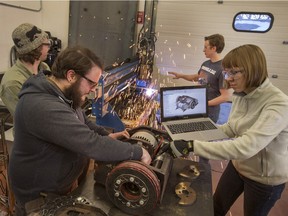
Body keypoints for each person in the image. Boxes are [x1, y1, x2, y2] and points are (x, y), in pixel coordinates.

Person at [8, 46, 152, 215]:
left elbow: (82, 121)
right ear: (71, 76)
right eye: (91, 83)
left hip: (60, 189)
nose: (93, 90)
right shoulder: (42, 106)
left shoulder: (63, 95)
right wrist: (137, 152)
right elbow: (91, 144)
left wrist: (106, 135)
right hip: (38, 200)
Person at [173, 44, 288, 216]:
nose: (229, 79)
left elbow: (245, 147)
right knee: (215, 208)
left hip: (265, 180)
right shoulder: (242, 94)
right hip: (238, 167)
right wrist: (193, 130)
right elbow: (230, 128)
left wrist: (191, 145)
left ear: (253, 69)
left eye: (234, 72)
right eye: (226, 72)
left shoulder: (278, 104)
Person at [168, 34, 231, 123]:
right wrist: (181, 75)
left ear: (213, 48)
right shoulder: (206, 64)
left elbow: (225, 96)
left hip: (210, 113)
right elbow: (197, 78)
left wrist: (205, 104)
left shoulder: (222, 69)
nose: (203, 50)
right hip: (197, 107)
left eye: (206, 47)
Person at [0, 23, 51, 118]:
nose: (49, 47)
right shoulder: (12, 83)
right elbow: (27, 118)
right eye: (47, 44)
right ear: (36, 47)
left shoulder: (44, 67)